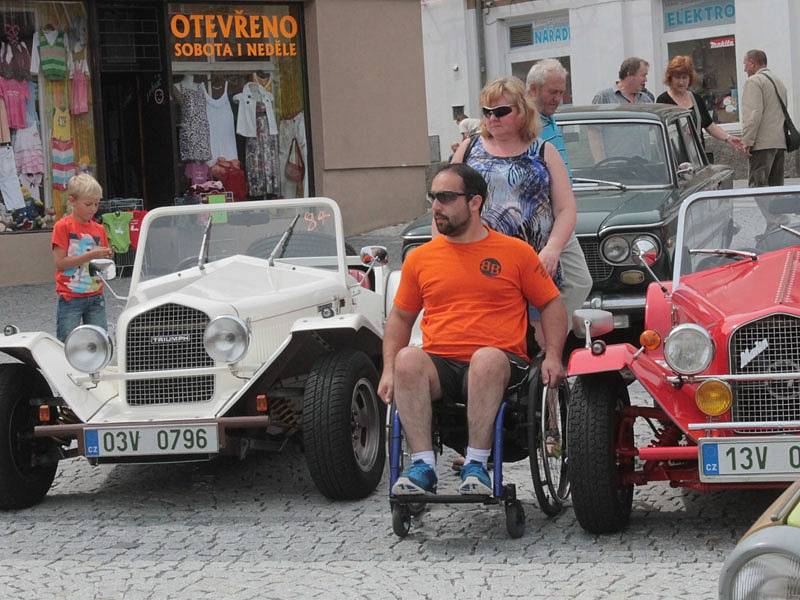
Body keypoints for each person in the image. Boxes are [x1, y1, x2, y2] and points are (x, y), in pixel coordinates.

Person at [380, 163, 567, 496]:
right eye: (433, 197)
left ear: (475, 202)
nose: (437, 206)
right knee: (407, 360)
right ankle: (423, 466)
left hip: (501, 362)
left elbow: (552, 305)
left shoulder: (515, 252)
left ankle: (476, 465)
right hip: (442, 364)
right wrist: (387, 370)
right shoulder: (420, 258)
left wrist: (553, 355)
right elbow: (399, 319)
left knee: (486, 359)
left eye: (447, 197)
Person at [451, 77, 575, 341]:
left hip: (533, 265)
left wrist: (552, 249)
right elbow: (446, 203)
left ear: (522, 111)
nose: (492, 118)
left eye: (501, 111)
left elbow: (565, 209)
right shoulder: (469, 148)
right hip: (481, 265)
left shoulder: (543, 151)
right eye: (487, 112)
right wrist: (442, 251)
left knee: (540, 347)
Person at [526, 59, 593, 325]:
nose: (559, 98)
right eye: (552, 92)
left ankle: (544, 338)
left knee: (577, 282)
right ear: (533, 90)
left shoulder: (549, 119)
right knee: (563, 282)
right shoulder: (528, 123)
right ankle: (540, 339)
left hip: (561, 216)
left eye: (561, 92)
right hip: (540, 217)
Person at [51, 173, 113, 342]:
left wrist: (107, 256)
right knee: (67, 342)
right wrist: (91, 254)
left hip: (95, 294)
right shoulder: (62, 226)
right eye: (88, 204)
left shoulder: (99, 229)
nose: (93, 208)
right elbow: (60, 263)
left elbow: (103, 262)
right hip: (70, 296)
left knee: (99, 342)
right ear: (72, 201)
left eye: (96, 203)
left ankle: (95, 370)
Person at [656, 55, 747, 153]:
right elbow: (659, 133)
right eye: (677, 77)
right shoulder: (663, 100)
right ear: (670, 78)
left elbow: (710, 126)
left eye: (684, 77)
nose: (681, 82)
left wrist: (728, 138)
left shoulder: (697, 99)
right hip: (674, 156)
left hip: (698, 156)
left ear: (690, 78)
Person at [741, 49, 788, 191]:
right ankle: (778, 214)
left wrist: (747, 141)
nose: (744, 69)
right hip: (779, 143)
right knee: (775, 191)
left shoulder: (754, 81)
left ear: (752, 63)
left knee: (758, 189)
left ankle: (766, 215)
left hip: (762, 145)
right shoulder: (778, 81)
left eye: (745, 64)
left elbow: (753, 115)